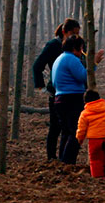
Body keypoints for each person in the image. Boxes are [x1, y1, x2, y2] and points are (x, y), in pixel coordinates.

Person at [32, 18, 80, 161]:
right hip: (57, 92)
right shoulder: (53, 45)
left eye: (77, 34)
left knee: (68, 128)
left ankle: (63, 159)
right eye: (72, 33)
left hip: (72, 92)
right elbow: (37, 66)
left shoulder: (76, 46)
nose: (75, 37)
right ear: (64, 32)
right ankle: (51, 158)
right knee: (56, 127)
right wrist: (41, 87)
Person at [52, 35, 105, 164]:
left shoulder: (60, 58)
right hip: (72, 99)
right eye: (81, 48)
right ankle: (68, 162)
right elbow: (84, 77)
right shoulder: (71, 59)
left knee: (66, 131)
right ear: (75, 48)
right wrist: (95, 64)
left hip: (59, 98)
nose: (82, 51)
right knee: (76, 132)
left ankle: (63, 161)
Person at [76, 90, 105, 178]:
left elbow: (81, 129)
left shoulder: (85, 114)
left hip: (95, 139)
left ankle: (98, 177)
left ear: (85, 102)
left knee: (95, 159)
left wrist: (79, 140)